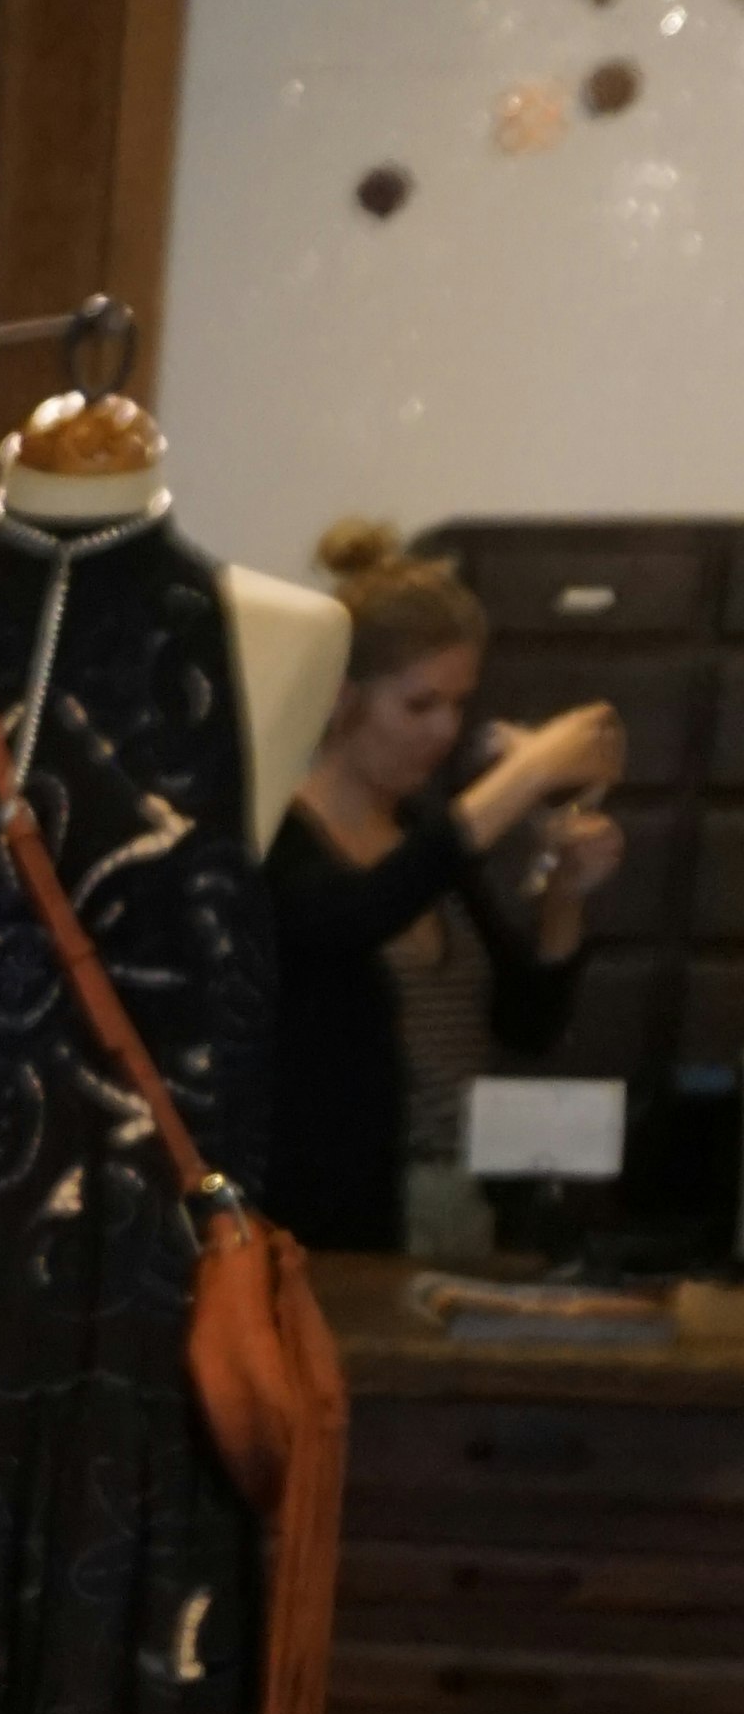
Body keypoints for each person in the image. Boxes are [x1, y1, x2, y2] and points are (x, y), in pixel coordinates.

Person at [263, 521, 624, 1250]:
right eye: (420, 705)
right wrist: (524, 778)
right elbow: (358, 913)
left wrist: (563, 897)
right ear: (342, 698)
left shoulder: (426, 843)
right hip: (332, 1224)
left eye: (459, 705)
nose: (444, 731)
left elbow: (528, 1025)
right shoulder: (277, 841)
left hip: (457, 1210)